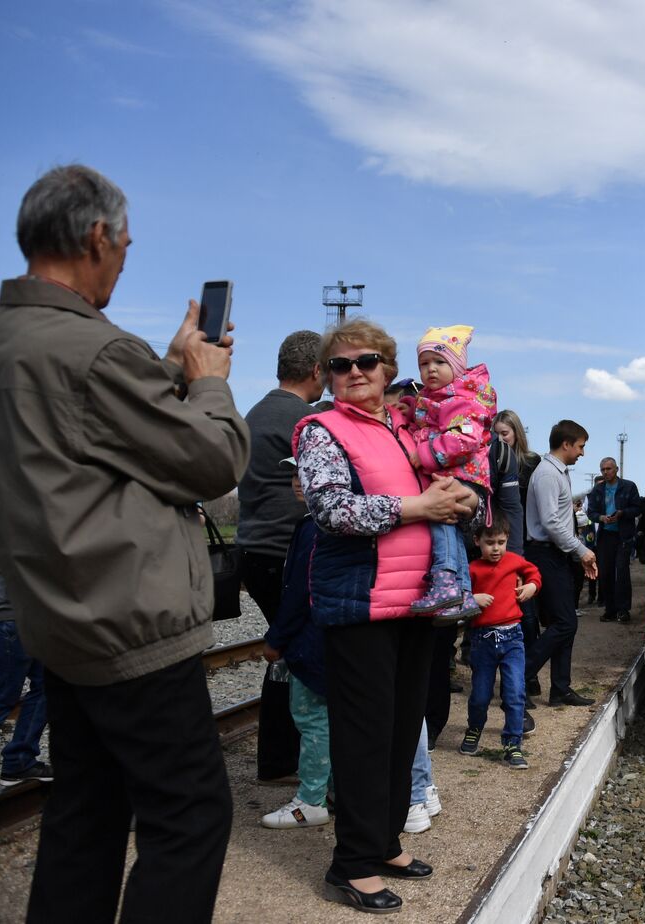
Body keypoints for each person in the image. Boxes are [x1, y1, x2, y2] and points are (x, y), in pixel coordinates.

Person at [0, 164, 249, 922]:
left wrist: (159, 369)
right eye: (124, 247)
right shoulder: (93, 349)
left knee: (84, 817)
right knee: (190, 817)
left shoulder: (2, 343)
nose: (123, 261)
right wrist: (209, 379)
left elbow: (95, 440)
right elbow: (211, 458)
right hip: (132, 627)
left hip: (63, 622)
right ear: (97, 237)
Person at [294, 318, 478, 912]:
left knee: (403, 728)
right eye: (340, 365)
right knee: (365, 736)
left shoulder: (404, 426)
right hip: (362, 604)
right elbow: (330, 508)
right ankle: (351, 864)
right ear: (327, 376)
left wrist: (463, 501)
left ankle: (385, 839)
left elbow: (447, 486)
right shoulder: (320, 429)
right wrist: (417, 505)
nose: (353, 373)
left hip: (415, 603)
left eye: (366, 362)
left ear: (387, 370)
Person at [238, 329, 324, 784]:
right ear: (316, 371)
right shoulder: (304, 419)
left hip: (254, 546)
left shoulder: (255, 412)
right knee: (299, 654)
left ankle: (277, 759)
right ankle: (282, 759)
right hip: (285, 550)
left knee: (286, 653)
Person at [403, 325, 497, 620]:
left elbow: (464, 438)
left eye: (440, 362)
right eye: (424, 363)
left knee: (441, 519)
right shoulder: (442, 395)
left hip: (462, 474)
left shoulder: (463, 397)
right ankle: (464, 592)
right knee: (451, 526)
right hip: (459, 473)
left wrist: (425, 454)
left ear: (457, 365)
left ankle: (444, 578)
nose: (431, 369)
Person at [258, 458, 329, 829]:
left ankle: (311, 799)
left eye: (306, 474)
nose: (297, 482)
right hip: (327, 635)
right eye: (293, 474)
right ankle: (330, 788)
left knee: (311, 716)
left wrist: (277, 638)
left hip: (310, 640)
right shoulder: (324, 522)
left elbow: (298, 590)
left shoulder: (312, 527)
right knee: (327, 716)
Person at [0, 536, 51, 800]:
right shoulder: (22, 509)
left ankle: (19, 760)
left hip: (23, 618)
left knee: (47, 685)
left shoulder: (18, 504)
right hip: (11, 618)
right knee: (1, 696)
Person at [524, 420, 599, 707]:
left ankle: (560, 688)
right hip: (544, 553)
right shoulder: (546, 475)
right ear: (566, 444)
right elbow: (551, 521)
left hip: (555, 554)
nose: (582, 452)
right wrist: (581, 550)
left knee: (563, 622)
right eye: (580, 446)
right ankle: (519, 678)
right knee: (566, 623)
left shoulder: (558, 473)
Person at [462, 513, 541, 768]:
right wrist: (472, 599)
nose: (496, 548)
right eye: (490, 542)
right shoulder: (471, 569)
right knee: (480, 695)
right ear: (477, 541)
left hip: (512, 637)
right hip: (482, 640)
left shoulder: (514, 561)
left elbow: (534, 573)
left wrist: (531, 587)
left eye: (501, 542)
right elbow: (457, 594)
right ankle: (474, 728)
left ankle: (512, 743)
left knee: (516, 692)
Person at [493, 409, 541, 680]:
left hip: (526, 542)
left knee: (528, 611)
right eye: (496, 433)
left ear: (516, 434)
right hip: (499, 542)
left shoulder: (531, 463)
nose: (501, 439)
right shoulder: (491, 461)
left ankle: (528, 673)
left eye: (505, 433)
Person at [586, 457, 642, 624]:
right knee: (606, 573)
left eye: (609, 468)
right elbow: (591, 512)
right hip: (605, 537)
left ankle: (623, 610)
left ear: (616, 469)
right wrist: (601, 517)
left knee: (622, 572)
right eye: (603, 469)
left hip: (623, 535)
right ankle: (610, 609)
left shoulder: (629, 486)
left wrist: (622, 513)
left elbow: (637, 508)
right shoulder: (598, 489)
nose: (606, 472)